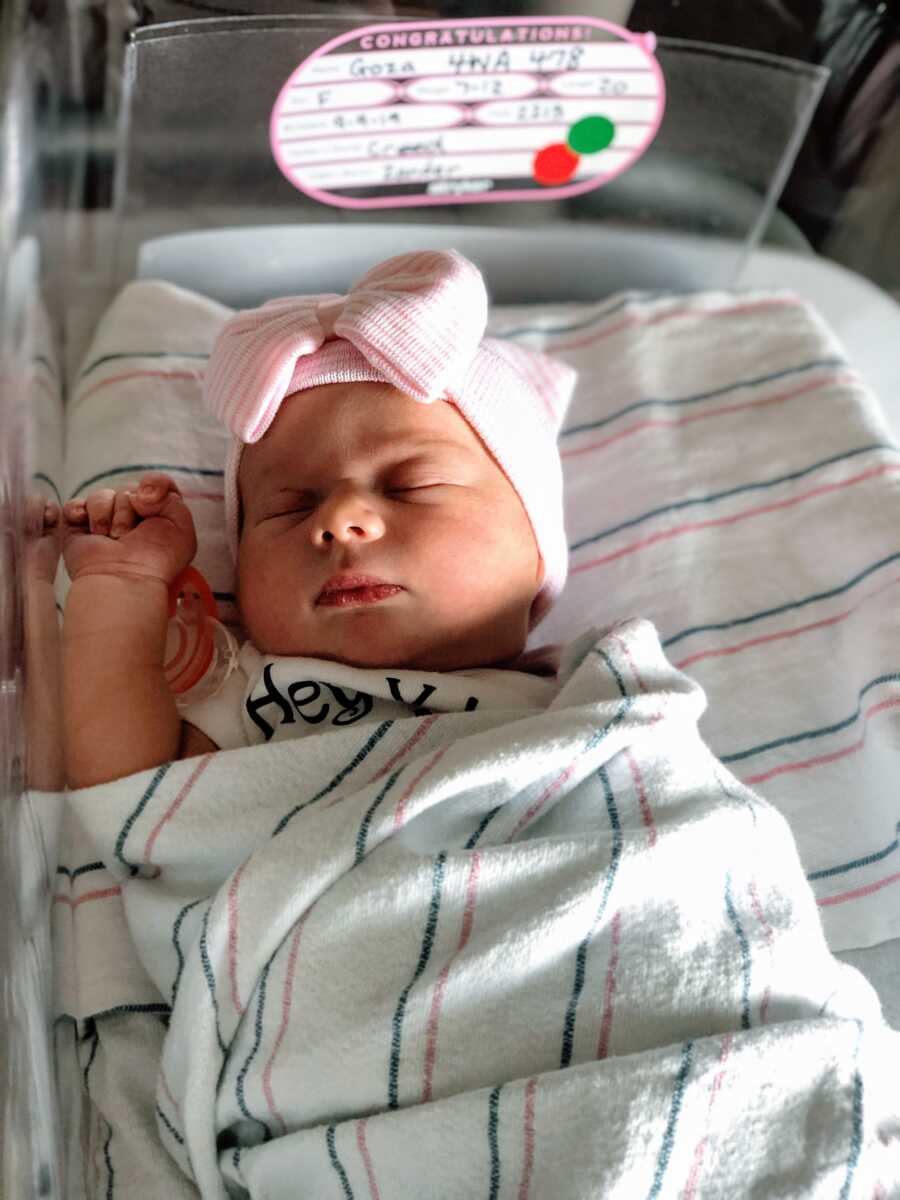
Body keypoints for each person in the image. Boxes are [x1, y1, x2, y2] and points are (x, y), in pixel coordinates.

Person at [61, 249, 576, 787]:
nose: (336, 518)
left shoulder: (580, 691)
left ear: (538, 552)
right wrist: (122, 586)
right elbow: (123, 790)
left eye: (410, 487)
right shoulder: (251, 694)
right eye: (291, 507)